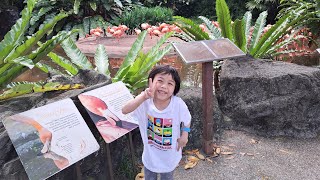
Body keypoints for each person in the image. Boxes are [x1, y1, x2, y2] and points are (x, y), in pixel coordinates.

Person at [122, 65, 191, 180]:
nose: (164, 86)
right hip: (150, 157)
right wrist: (143, 96)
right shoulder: (145, 103)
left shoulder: (178, 104)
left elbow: (187, 119)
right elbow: (125, 110)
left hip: (169, 157)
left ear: (175, 88)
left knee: (167, 178)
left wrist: (185, 135)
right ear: (151, 81)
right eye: (160, 81)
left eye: (170, 83)